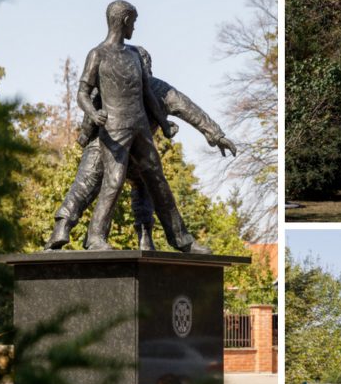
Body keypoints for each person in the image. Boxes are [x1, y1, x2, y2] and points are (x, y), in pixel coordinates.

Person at [47, 46, 237, 251]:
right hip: (110, 146)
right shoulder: (146, 86)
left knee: (134, 186)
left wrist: (216, 134)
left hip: (130, 149)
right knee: (106, 183)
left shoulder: (152, 88)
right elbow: (92, 102)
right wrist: (215, 134)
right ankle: (69, 229)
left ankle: (69, 228)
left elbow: (188, 109)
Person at [76, 0, 202, 252]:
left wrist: (164, 125)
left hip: (140, 127)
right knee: (114, 180)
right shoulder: (97, 54)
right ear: (124, 21)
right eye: (133, 21)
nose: (135, 26)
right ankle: (95, 238)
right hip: (114, 128)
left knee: (158, 181)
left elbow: (148, 94)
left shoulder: (134, 55)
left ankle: (182, 240)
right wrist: (92, 112)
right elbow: (82, 92)